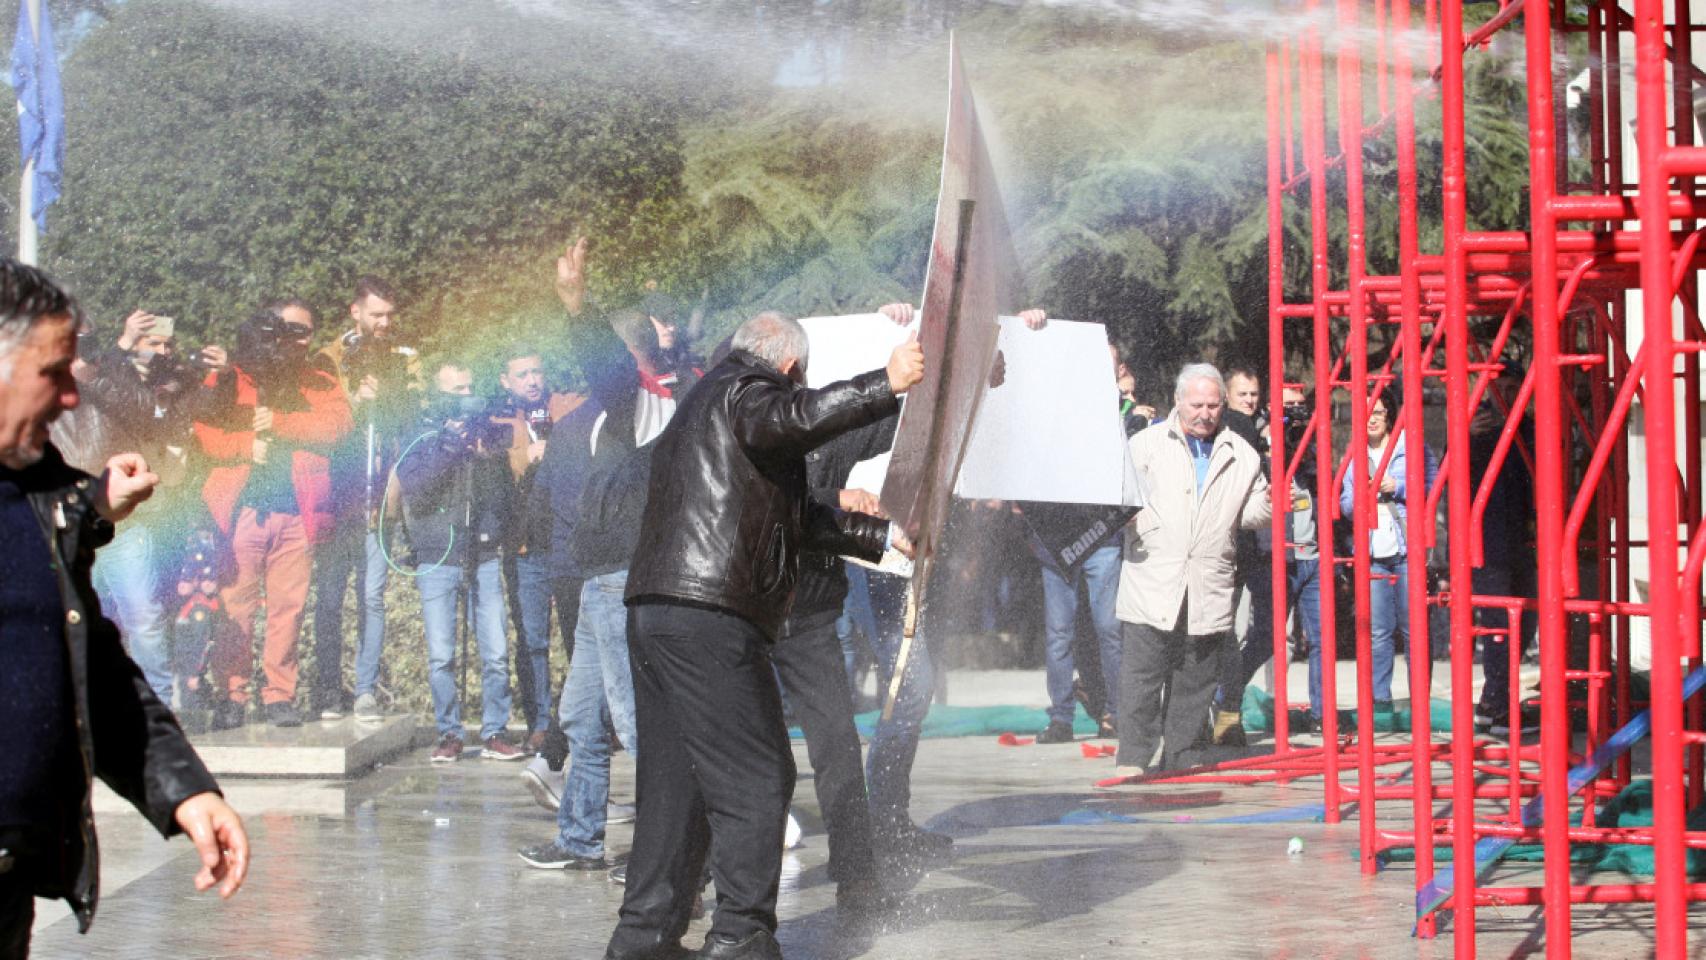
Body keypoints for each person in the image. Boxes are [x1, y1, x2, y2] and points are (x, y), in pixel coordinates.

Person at [607, 312, 922, 960]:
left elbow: (793, 517)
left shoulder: (709, 407)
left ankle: (643, 940)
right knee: (759, 777)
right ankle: (742, 938)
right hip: (709, 615)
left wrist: (881, 538)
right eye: (798, 381)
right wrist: (884, 383)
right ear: (789, 367)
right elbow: (794, 418)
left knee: (676, 781)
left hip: (660, 612)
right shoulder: (744, 391)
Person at [0, 258, 249, 957]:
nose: (72, 400)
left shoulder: (40, 496)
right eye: (53, 373)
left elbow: (89, 668)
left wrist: (183, 790)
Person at [518, 322, 655, 872]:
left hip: (619, 577)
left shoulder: (640, 409)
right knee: (580, 717)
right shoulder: (586, 420)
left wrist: (573, 309)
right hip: (594, 578)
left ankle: (665, 846)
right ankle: (579, 838)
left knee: (634, 721)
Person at [193, 302, 354, 729]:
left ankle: (279, 696)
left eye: (306, 331)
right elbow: (205, 433)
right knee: (236, 607)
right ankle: (232, 694)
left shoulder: (318, 378)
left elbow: (338, 427)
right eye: (289, 330)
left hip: (297, 512)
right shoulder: (235, 375)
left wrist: (279, 422)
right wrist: (248, 446)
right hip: (244, 509)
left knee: (289, 607)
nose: (297, 339)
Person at [59, 309, 227, 706]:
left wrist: (100, 368)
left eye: (85, 340)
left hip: (119, 517)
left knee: (143, 616)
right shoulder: (34, 378)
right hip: (63, 517)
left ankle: (161, 709)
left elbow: (143, 408)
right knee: (77, 619)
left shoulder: (110, 373)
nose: (76, 349)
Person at [1115, 363, 1271, 776]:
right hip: (1152, 577)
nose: (1205, 413)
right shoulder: (1145, 444)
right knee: (1142, 677)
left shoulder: (1243, 453)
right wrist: (1135, 520)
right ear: (1178, 402)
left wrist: (1274, 501)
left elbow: (1252, 512)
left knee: (1195, 679)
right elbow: (1119, 496)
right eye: (1196, 404)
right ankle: (1133, 758)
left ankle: (1179, 756)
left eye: (1213, 405)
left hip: (1208, 582)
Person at [397, 362, 527, 762]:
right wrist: (450, 447)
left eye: (471, 386)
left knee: (496, 652)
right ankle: (449, 734)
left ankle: (494, 732)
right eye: (457, 390)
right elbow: (414, 488)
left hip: (483, 552)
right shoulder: (420, 433)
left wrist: (487, 453)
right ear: (439, 394)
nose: (467, 396)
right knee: (442, 655)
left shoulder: (484, 431)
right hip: (437, 556)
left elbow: (505, 492)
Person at [310, 276, 421, 721]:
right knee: (331, 597)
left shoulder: (403, 358)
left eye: (390, 315)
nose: (385, 323)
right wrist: (357, 398)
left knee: (372, 596)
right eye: (376, 314)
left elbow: (413, 421)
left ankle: (365, 690)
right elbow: (321, 424)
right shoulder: (325, 360)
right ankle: (325, 692)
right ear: (355, 312)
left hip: (379, 498)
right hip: (338, 496)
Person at [1338, 386, 1439, 726]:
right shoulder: (1354, 454)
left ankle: (1419, 700)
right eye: (1366, 414)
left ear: (1390, 415)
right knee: (1377, 631)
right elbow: (1346, 504)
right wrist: (1363, 496)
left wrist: (1398, 487)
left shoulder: (1409, 447)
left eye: (1378, 413)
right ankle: (1379, 700)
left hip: (1405, 545)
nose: (1372, 420)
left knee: (1414, 629)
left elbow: (1433, 484)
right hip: (1371, 550)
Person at [1212, 364, 1273, 746]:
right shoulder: (1235, 425)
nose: (1249, 402)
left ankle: (1226, 705)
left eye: (1254, 394)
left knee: (1253, 633)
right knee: (1227, 630)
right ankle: (1227, 710)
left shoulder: (1254, 425)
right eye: (1242, 394)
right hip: (1238, 545)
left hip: (1255, 546)